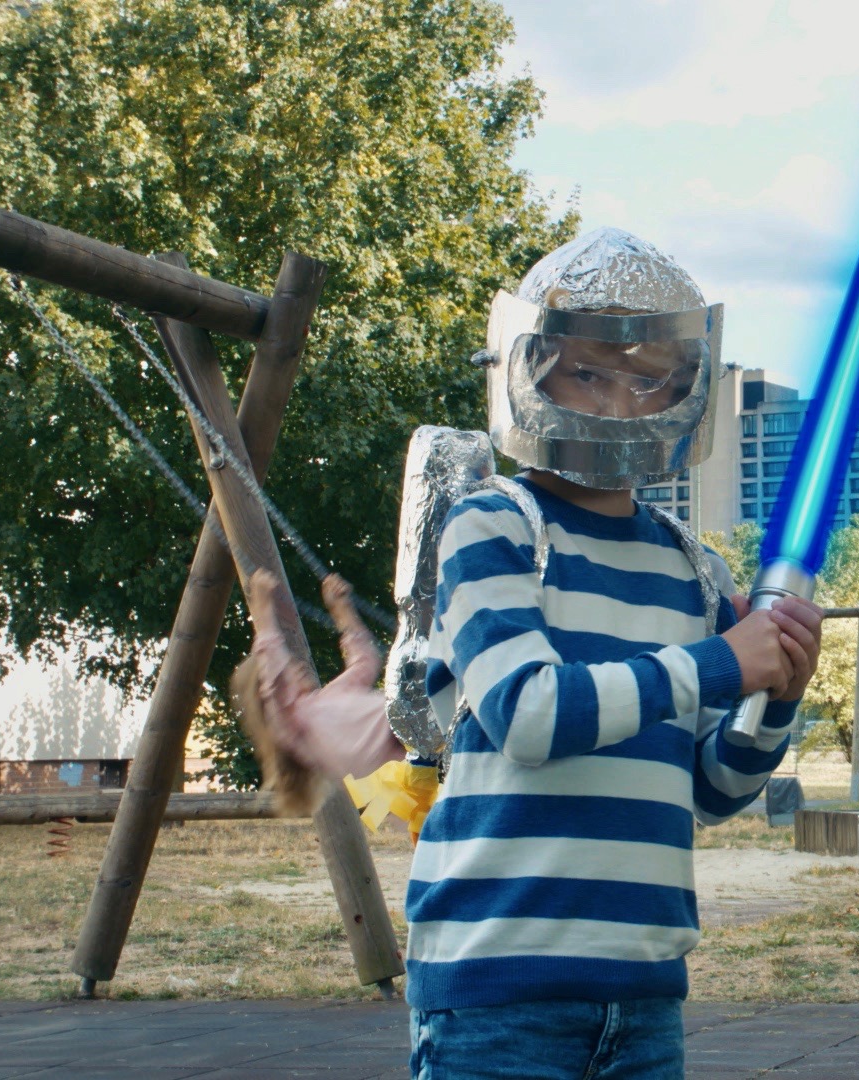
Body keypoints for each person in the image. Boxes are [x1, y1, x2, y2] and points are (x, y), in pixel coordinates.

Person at [244, 227, 824, 1080]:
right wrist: (725, 665)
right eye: (588, 371)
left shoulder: (692, 568)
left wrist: (773, 698)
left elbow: (709, 790)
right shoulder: (496, 524)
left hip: (644, 988)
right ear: (530, 366)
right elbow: (526, 713)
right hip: (497, 983)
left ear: (687, 386)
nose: (620, 400)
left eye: (648, 377)